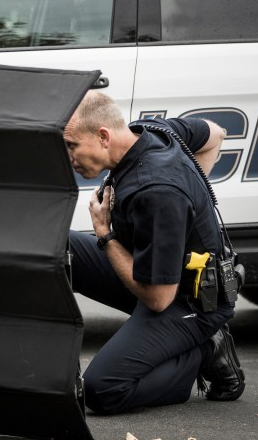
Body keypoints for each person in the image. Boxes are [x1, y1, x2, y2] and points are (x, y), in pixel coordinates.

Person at [64, 90, 244, 415]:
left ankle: (201, 350)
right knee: (60, 247)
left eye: (72, 146)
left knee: (102, 389)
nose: (69, 156)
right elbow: (215, 133)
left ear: (103, 136)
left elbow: (158, 299)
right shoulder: (152, 131)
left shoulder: (158, 193)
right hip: (153, 271)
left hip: (187, 301)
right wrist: (192, 199)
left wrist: (104, 233)